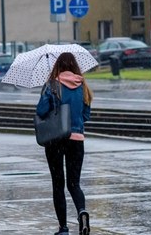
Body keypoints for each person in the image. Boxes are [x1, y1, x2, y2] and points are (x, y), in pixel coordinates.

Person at [36, 52, 93, 235]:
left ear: (58, 66)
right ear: (75, 66)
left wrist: (47, 93)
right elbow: (85, 115)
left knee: (58, 184)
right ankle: (82, 212)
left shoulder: (52, 85)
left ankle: (63, 228)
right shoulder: (82, 85)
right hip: (77, 140)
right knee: (74, 184)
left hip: (56, 140)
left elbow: (41, 111)